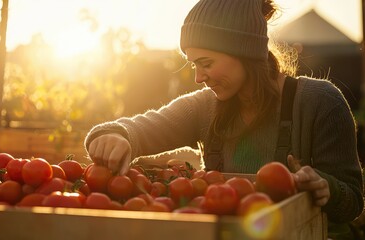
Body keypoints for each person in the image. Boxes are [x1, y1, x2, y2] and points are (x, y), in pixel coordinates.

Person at [84, 0, 364, 238]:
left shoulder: (320, 101)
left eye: (206, 63)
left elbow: (353, 200)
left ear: (244, 52)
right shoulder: (205, 107)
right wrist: (115, 135)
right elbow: (144, 127)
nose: (198, 77)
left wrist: (326, 186)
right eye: (194, 64)